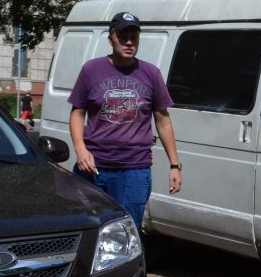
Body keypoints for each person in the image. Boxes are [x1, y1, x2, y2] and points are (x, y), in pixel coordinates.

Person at [68, 11, 182, 223]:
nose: (129, 43)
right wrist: (80, 149)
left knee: (127, 229)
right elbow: (77, 112)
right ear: (111, 38)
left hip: (134, 171)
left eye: (134, 38)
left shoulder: (151, 73)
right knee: (87, 227)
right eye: (123, 37)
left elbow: (163, 120)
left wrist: (174, 165)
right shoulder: (91, 70)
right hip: (93, 168)